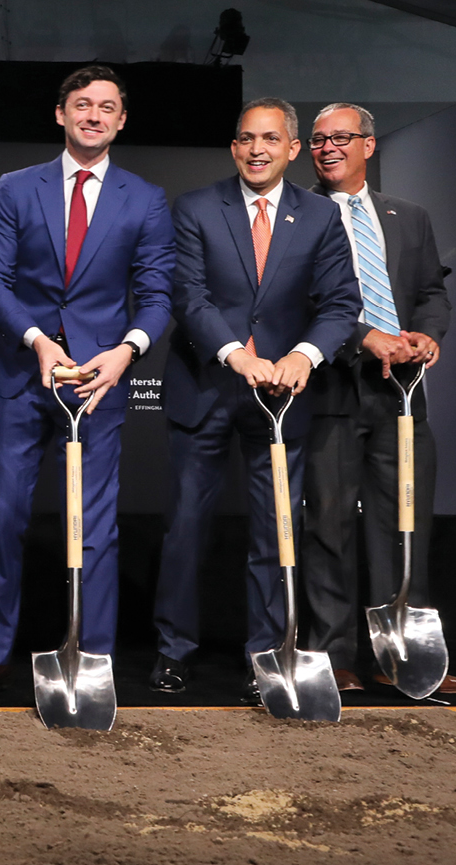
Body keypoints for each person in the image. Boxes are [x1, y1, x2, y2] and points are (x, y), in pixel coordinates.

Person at [0, 66, 175, 698]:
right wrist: (38, 341)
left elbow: (157, 296)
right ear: (61, 114)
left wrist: (125, 353)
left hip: (98, 383)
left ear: (122, 120)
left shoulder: (145, 198)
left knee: (95, 525)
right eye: (83, 105)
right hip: (20, 374)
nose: (94, 115)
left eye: (107, 107)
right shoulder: (16, 188)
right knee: (3, 518)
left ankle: (92, 656)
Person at [151, 98, 360, 696]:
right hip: (207, 387)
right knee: (186, 527)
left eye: (270, 139)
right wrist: (234, 354)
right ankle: (174, 651)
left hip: (283, 398)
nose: (256, 150)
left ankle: (267, 655)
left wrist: (303, 356)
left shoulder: (319, 217)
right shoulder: (195, 207)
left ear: (294, 149)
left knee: (276, 531)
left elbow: (342, 303)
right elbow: (188, 296)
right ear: (234, 147)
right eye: (246, 139)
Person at [300, 103, 456, 695]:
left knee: (403, 525)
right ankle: (332, 656)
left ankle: (402, 657)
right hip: (327, 390)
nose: (328, 148)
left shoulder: (409, 216)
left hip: (400, 395)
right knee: (328, 526)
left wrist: (428, 333)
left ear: (369, 146)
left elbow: (431, 292)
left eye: (341, 138)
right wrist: (359, 337)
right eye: (319, 140)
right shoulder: (295, 215)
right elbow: (294, 303)